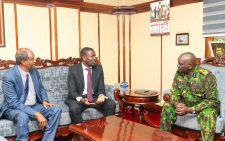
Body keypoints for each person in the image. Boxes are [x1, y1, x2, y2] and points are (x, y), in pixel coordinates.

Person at [0, 48, 62, 141]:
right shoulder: (9, 76)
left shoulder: (34, 71)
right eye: (32, 59)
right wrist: (36, 113)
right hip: (13, 108)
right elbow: (13, 103)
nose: (34, 61)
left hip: (33, 105)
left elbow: (40, 88)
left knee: (56, 110)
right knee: (23, 116)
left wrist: (44, 100)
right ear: (23, 61)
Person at [160, 52, 220, 141]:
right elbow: (175, 93)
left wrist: (189, 109)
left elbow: (212, 100)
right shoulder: (179, 73)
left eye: (180, 64)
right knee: (167, 106)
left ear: (190, 66)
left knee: (208, 113)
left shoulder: (206, 76)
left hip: (203, 106)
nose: (177, 66)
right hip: (186, 103)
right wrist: (177, 104)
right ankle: (163, 137)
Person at [65, 47, 116, 124]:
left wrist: (101, 96)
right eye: (92, 56)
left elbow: (101, 87)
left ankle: (103, 129)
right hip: (79, 99)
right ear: (84, 58)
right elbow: (72, 91)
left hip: (94, 98)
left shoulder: (98, 68)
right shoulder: (73, 69)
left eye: (95, 56)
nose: (95, 58)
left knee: (111, 104)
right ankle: (81, 134)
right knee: (74, 108)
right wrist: (82, 99)